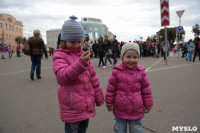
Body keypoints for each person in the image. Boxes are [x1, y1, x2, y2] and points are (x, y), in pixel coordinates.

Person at [52, 15, 104, 133]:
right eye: (72, 41)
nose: (76, 45)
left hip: (86, 103)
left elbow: (93, 78)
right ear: (64, 41)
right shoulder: (60, 55)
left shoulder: (83, 54)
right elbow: (62, 77)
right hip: (72, 106)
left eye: (79, 42)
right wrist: (80, 63)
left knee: (82, 129)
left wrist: (98, 95)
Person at [105, 42, 153, 133]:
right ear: (122, 57)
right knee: (119, 130)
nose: (132, 60)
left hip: (136, 109)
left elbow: (146, 90)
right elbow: (111, 89)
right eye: (128, 57)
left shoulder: (141, 72)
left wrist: (148, 104)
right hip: (120, 109)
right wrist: (109, 102)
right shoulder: (117, 71)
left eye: (135, 57)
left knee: (136, 130)